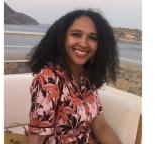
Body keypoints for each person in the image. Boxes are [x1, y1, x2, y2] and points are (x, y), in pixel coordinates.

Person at [26, 9, 122, 144]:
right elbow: (37, 137)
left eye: (92, 38)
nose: (84, 43)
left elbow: (100, 126)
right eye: (76, 34)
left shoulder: (87, 78)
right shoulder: (49, 79)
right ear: (61, 38)